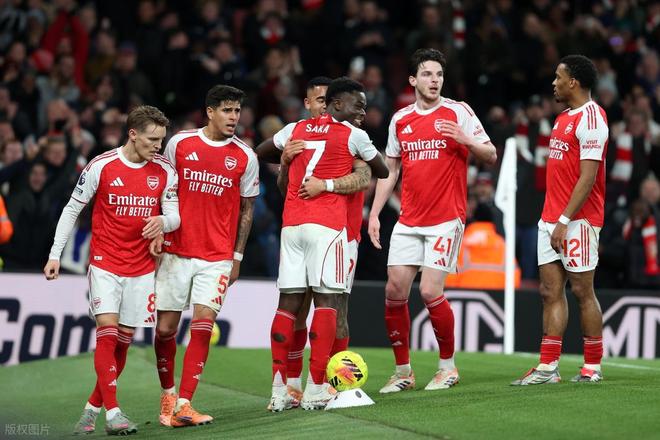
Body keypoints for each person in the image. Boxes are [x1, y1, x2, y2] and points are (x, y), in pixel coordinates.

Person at [43, 105, 179, 435]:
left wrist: (163, 221)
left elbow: (176, 215)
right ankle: (114, 413)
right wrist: (55, 254)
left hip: (142, 268)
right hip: (105, 263)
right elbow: (72, 209)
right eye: (152, 140)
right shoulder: (101, 166)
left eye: (161, 140)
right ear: (132, 134)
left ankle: (91, 411)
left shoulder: (164, 170)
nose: (158, 146)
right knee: (107, 330)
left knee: (123, 342)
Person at [367, 48, 496, 393]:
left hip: (445, 218)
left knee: (428, 290)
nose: (434, 80)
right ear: (413, 80)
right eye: (427, 74)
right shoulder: (400, 119)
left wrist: (465, 139)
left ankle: (447, 367)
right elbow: (391, 170)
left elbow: (491, 153)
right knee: (394, 290)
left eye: (439, 74)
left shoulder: (458, 111)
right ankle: (403, 372)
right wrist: (375, 213)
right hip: (409, 219)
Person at [267, 77, 388, 411]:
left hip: (297, 226)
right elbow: (378, 170)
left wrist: (287, 159)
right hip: (331, 228)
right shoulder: (349, 136)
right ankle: (313, 387)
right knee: (328, 304)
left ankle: (282, 388)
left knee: (291, 305)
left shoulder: (296, 132)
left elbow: (262, 155)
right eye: (358, 105)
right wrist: (327, 180)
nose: (363, 111)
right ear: (325, 104)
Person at [151, 85, 259, 426]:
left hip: (217, 256)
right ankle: (168, 395)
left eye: (237, 110)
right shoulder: (180, 144)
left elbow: (247, 209)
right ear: (210, 112)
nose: (233, 117)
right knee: (165, 330)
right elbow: (161, 188)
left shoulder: (246, 156)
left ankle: (185, 404)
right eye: (227, 110)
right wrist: (157, 231)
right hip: (176, 251)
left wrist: (237, 256)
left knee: (203, 324)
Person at [511, 55, 609, 385]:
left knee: (582, 291)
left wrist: (565, 220)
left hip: (578, 220)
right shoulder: (562, 118)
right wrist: (554, 219)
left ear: (573, 82)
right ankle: (548, 367)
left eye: (558, 77)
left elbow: (588, 178)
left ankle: (592, 366)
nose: (553, 83)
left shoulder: (592, 118)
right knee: (549, 291)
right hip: (551, 219)